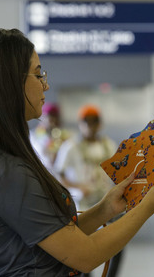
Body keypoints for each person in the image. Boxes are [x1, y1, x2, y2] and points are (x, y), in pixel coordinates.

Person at [0, 28, 154, 277]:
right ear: (11, 81)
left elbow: (55, 234)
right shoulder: (10, 172)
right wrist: (149, 204)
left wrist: (106, 209)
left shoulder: (13, 161)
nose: (46, 85)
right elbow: (84, 255)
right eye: (38, 75)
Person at [54, 104, 121, 277]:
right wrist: (77, 187)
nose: (91, 126)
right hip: (82, 204)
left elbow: (116, 171)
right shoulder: (71, 146)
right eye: (87, 122)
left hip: (106, 201)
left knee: (116, 243)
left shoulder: (108, 144)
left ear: (100, 124)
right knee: (84, 247)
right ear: (80, 124)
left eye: (94, 122)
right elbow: (58, 175)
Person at [30, 102, 71, 172]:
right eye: (49, 116)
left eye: (55, 117)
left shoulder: (64, 137)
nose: (52, 120)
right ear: (42, 118)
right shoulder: (34, 136)